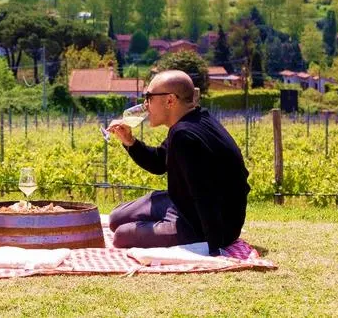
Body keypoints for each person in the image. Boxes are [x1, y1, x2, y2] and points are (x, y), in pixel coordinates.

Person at [104, 70, 250, 255]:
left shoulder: (184, 136)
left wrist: (215, 248)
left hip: (202, 223)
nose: (145, 105)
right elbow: (158, 163)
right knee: (115, 218)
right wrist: (130, 142)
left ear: (170, 100)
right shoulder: (193, 120)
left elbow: (204, 196)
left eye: (149, 97)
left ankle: (170, 229)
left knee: (121, 236)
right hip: (183, 203)